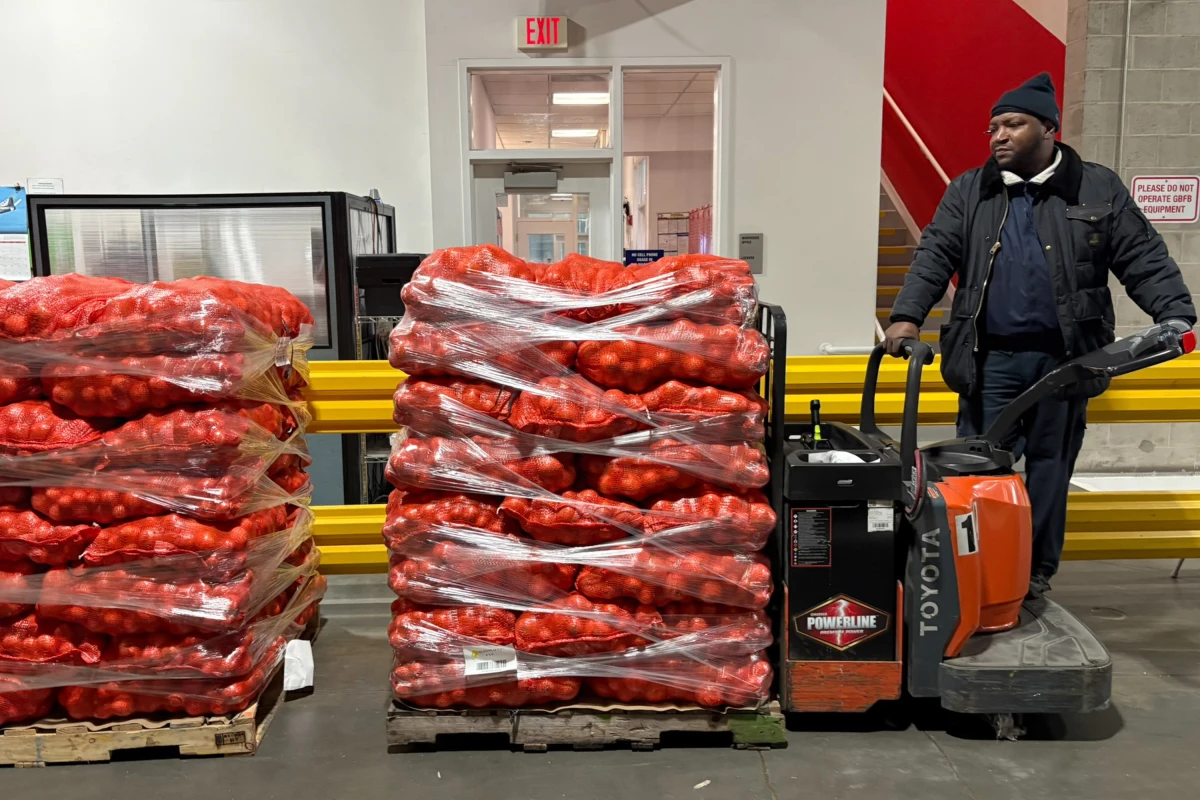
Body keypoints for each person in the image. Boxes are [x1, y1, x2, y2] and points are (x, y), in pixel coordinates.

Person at [884, 73, 1196, 598]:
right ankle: (976, 572)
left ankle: (1034, 576)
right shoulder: (970, 190)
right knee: (978, 471)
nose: (998, 136)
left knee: (1051, 469)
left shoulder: (1096, 188)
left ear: (1049, 129)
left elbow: (1141, 256)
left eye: (1012, 124)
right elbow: (935, 252)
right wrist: (907, 315)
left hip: (1064, 361)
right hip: (989, 361)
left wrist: (1176, 313)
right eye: (993, 128)